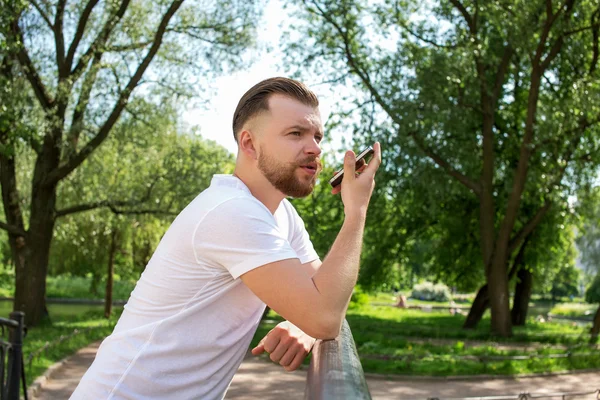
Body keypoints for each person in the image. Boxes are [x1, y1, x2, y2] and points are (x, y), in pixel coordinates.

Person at [70, 77, 381, 399]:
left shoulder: (280, 215)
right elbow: (325, 317)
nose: (315, 148)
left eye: (317, 136)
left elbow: (326, 296)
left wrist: (302, 322)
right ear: (249, 144)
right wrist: (356, 211)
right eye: (295, 134)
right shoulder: (233, 211)